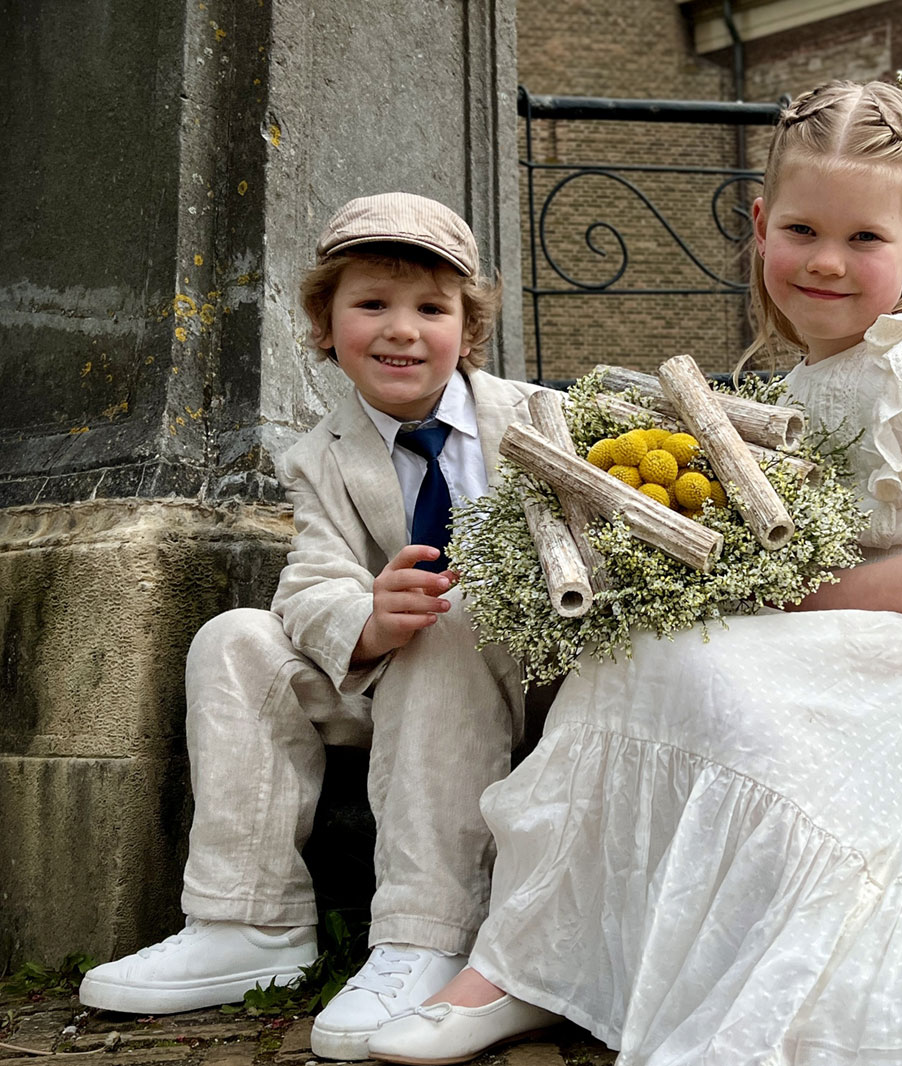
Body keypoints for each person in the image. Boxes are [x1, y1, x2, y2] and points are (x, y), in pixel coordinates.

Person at [369, 77, 902, 1066]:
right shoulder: (797, 383)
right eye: (802, 231)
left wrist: (789, 598)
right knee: (633, 650)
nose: (826, 261)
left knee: (701, 672)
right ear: (759, 225)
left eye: (864, 238)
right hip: (853, 620)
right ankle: (526, 964)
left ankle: (625, 971)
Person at [77, 192, 549, 1062]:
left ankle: (425, 934)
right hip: (400, 681)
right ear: (326, 325)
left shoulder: (535, 418)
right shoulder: (318, 457)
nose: (402, 330)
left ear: (469, 330)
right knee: (235, 638)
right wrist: (368, 618)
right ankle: (248, 923)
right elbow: (312, 584)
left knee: (446, 614)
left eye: (431, 309)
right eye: (371, 304)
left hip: (534, 683)